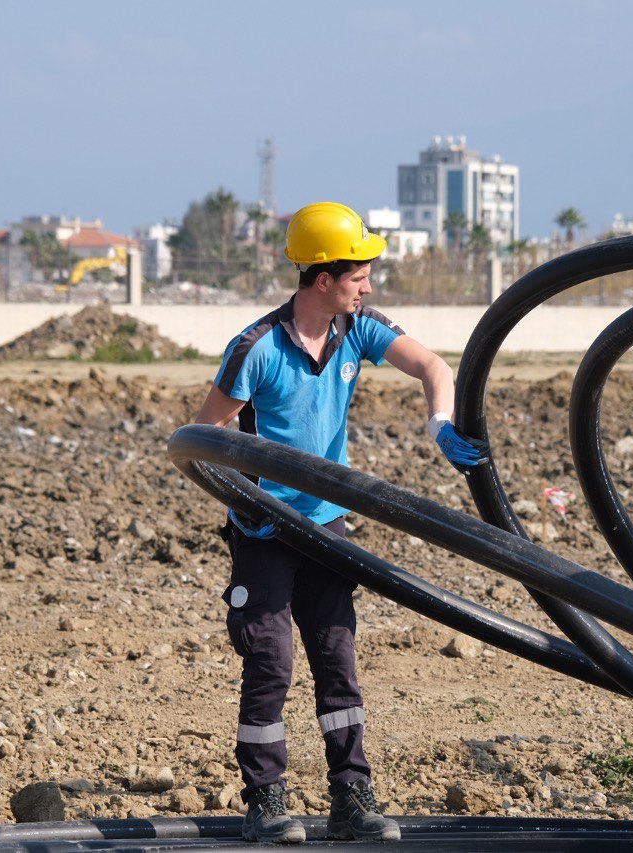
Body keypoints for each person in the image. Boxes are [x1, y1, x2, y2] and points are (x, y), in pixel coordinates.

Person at [195, 202, 487, 844]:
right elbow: (205, 439)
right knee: (269, 662)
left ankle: (351, 799)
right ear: (322, 277)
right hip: (265, 534)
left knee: (337, 661)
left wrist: (441, 423)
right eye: (360, 272)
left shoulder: (357, 330)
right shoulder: (257, 349)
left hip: (328, 528)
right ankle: (265, 802)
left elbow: (433, 367)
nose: (370, 283)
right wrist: (249, 506)